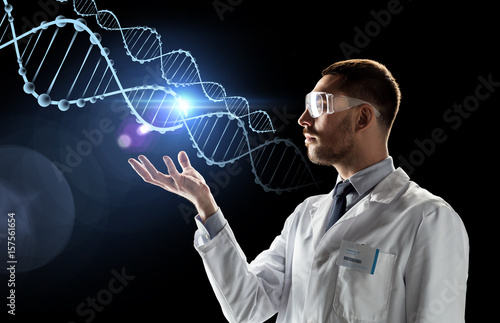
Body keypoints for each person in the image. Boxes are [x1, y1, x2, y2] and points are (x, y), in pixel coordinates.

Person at [128, 59, 469, 323]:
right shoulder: (306, 215)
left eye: (319, 105)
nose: (303, 119)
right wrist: (206, 206)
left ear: (363, 118)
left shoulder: (427, 218)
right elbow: (248, 307)